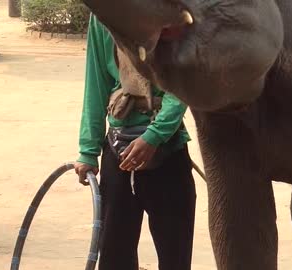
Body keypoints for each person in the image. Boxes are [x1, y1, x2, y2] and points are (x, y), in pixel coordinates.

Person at [74, 14, 196, 270]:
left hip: (168, 151)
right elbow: (96, 81)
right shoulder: (102, 16)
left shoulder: (170, 10)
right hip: (118, 152)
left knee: (175, 255)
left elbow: (183, 81)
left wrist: (155, 136)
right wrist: (88, 151)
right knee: (114, 256)